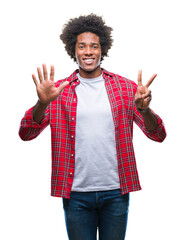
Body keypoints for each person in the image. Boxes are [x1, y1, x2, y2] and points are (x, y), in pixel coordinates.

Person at [19, 14, 166, 240]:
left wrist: (144, 109)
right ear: (73, 50)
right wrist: (42, 103)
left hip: (116, 192)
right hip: (76, 194)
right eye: (82, 46)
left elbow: (158, 135)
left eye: (94, 46)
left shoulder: (125, 88)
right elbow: (26, 133)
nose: (88, 51)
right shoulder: (58, 91)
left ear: (102, 49)